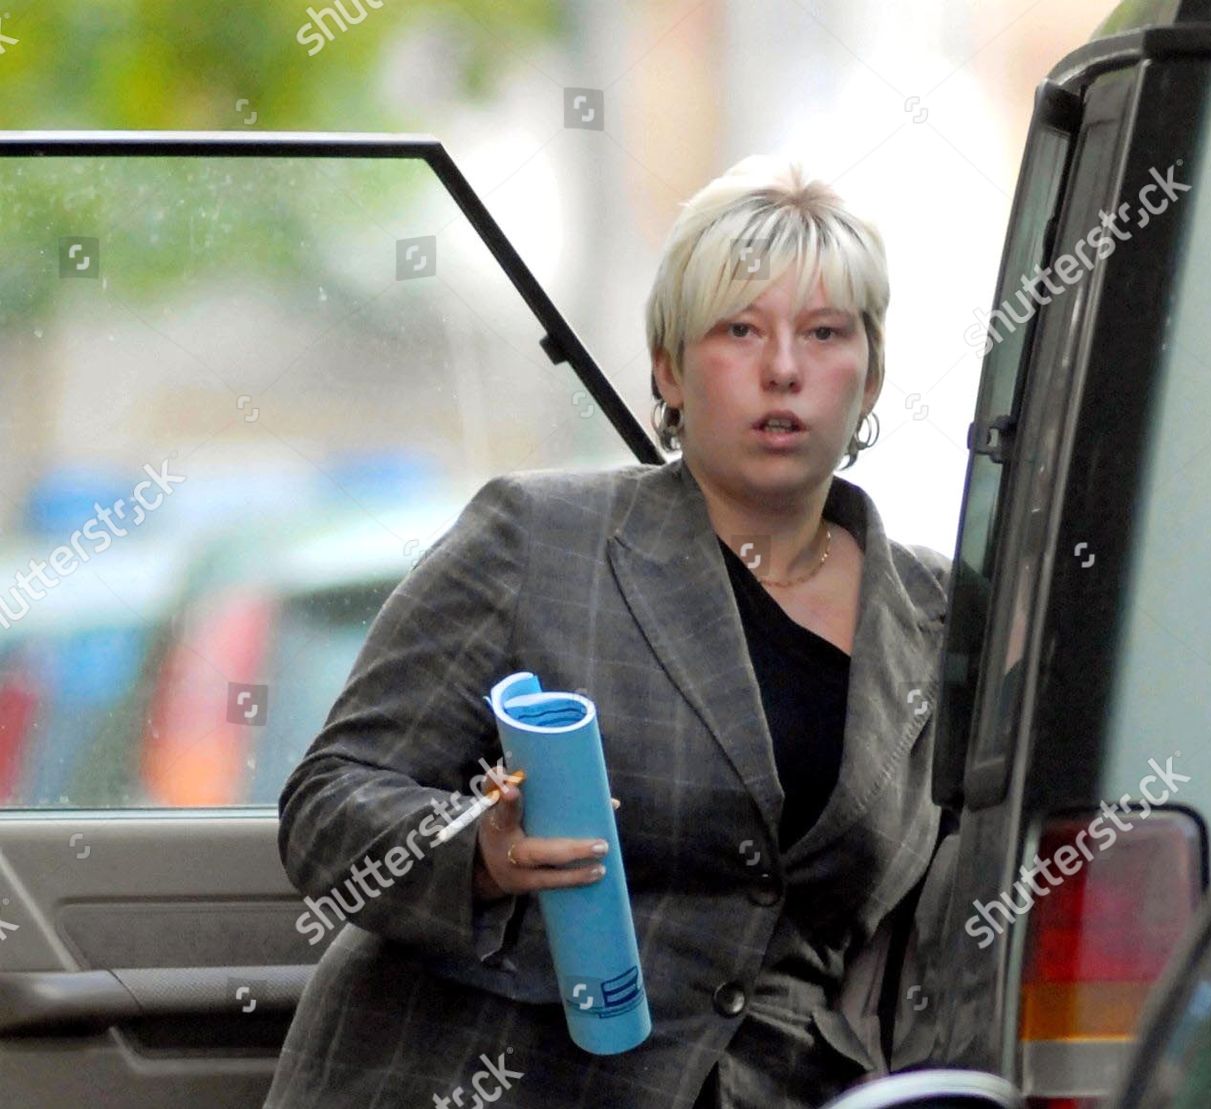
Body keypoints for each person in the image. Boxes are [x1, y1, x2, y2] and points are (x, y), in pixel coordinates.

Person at [263, 154, 953, 1109]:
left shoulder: (942, 614)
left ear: (870, 375)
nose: (784, 368)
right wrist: (479, 853)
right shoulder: (534, 538)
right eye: (739, 330)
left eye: (826, 333)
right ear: (669, 369)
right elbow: (326, 807)